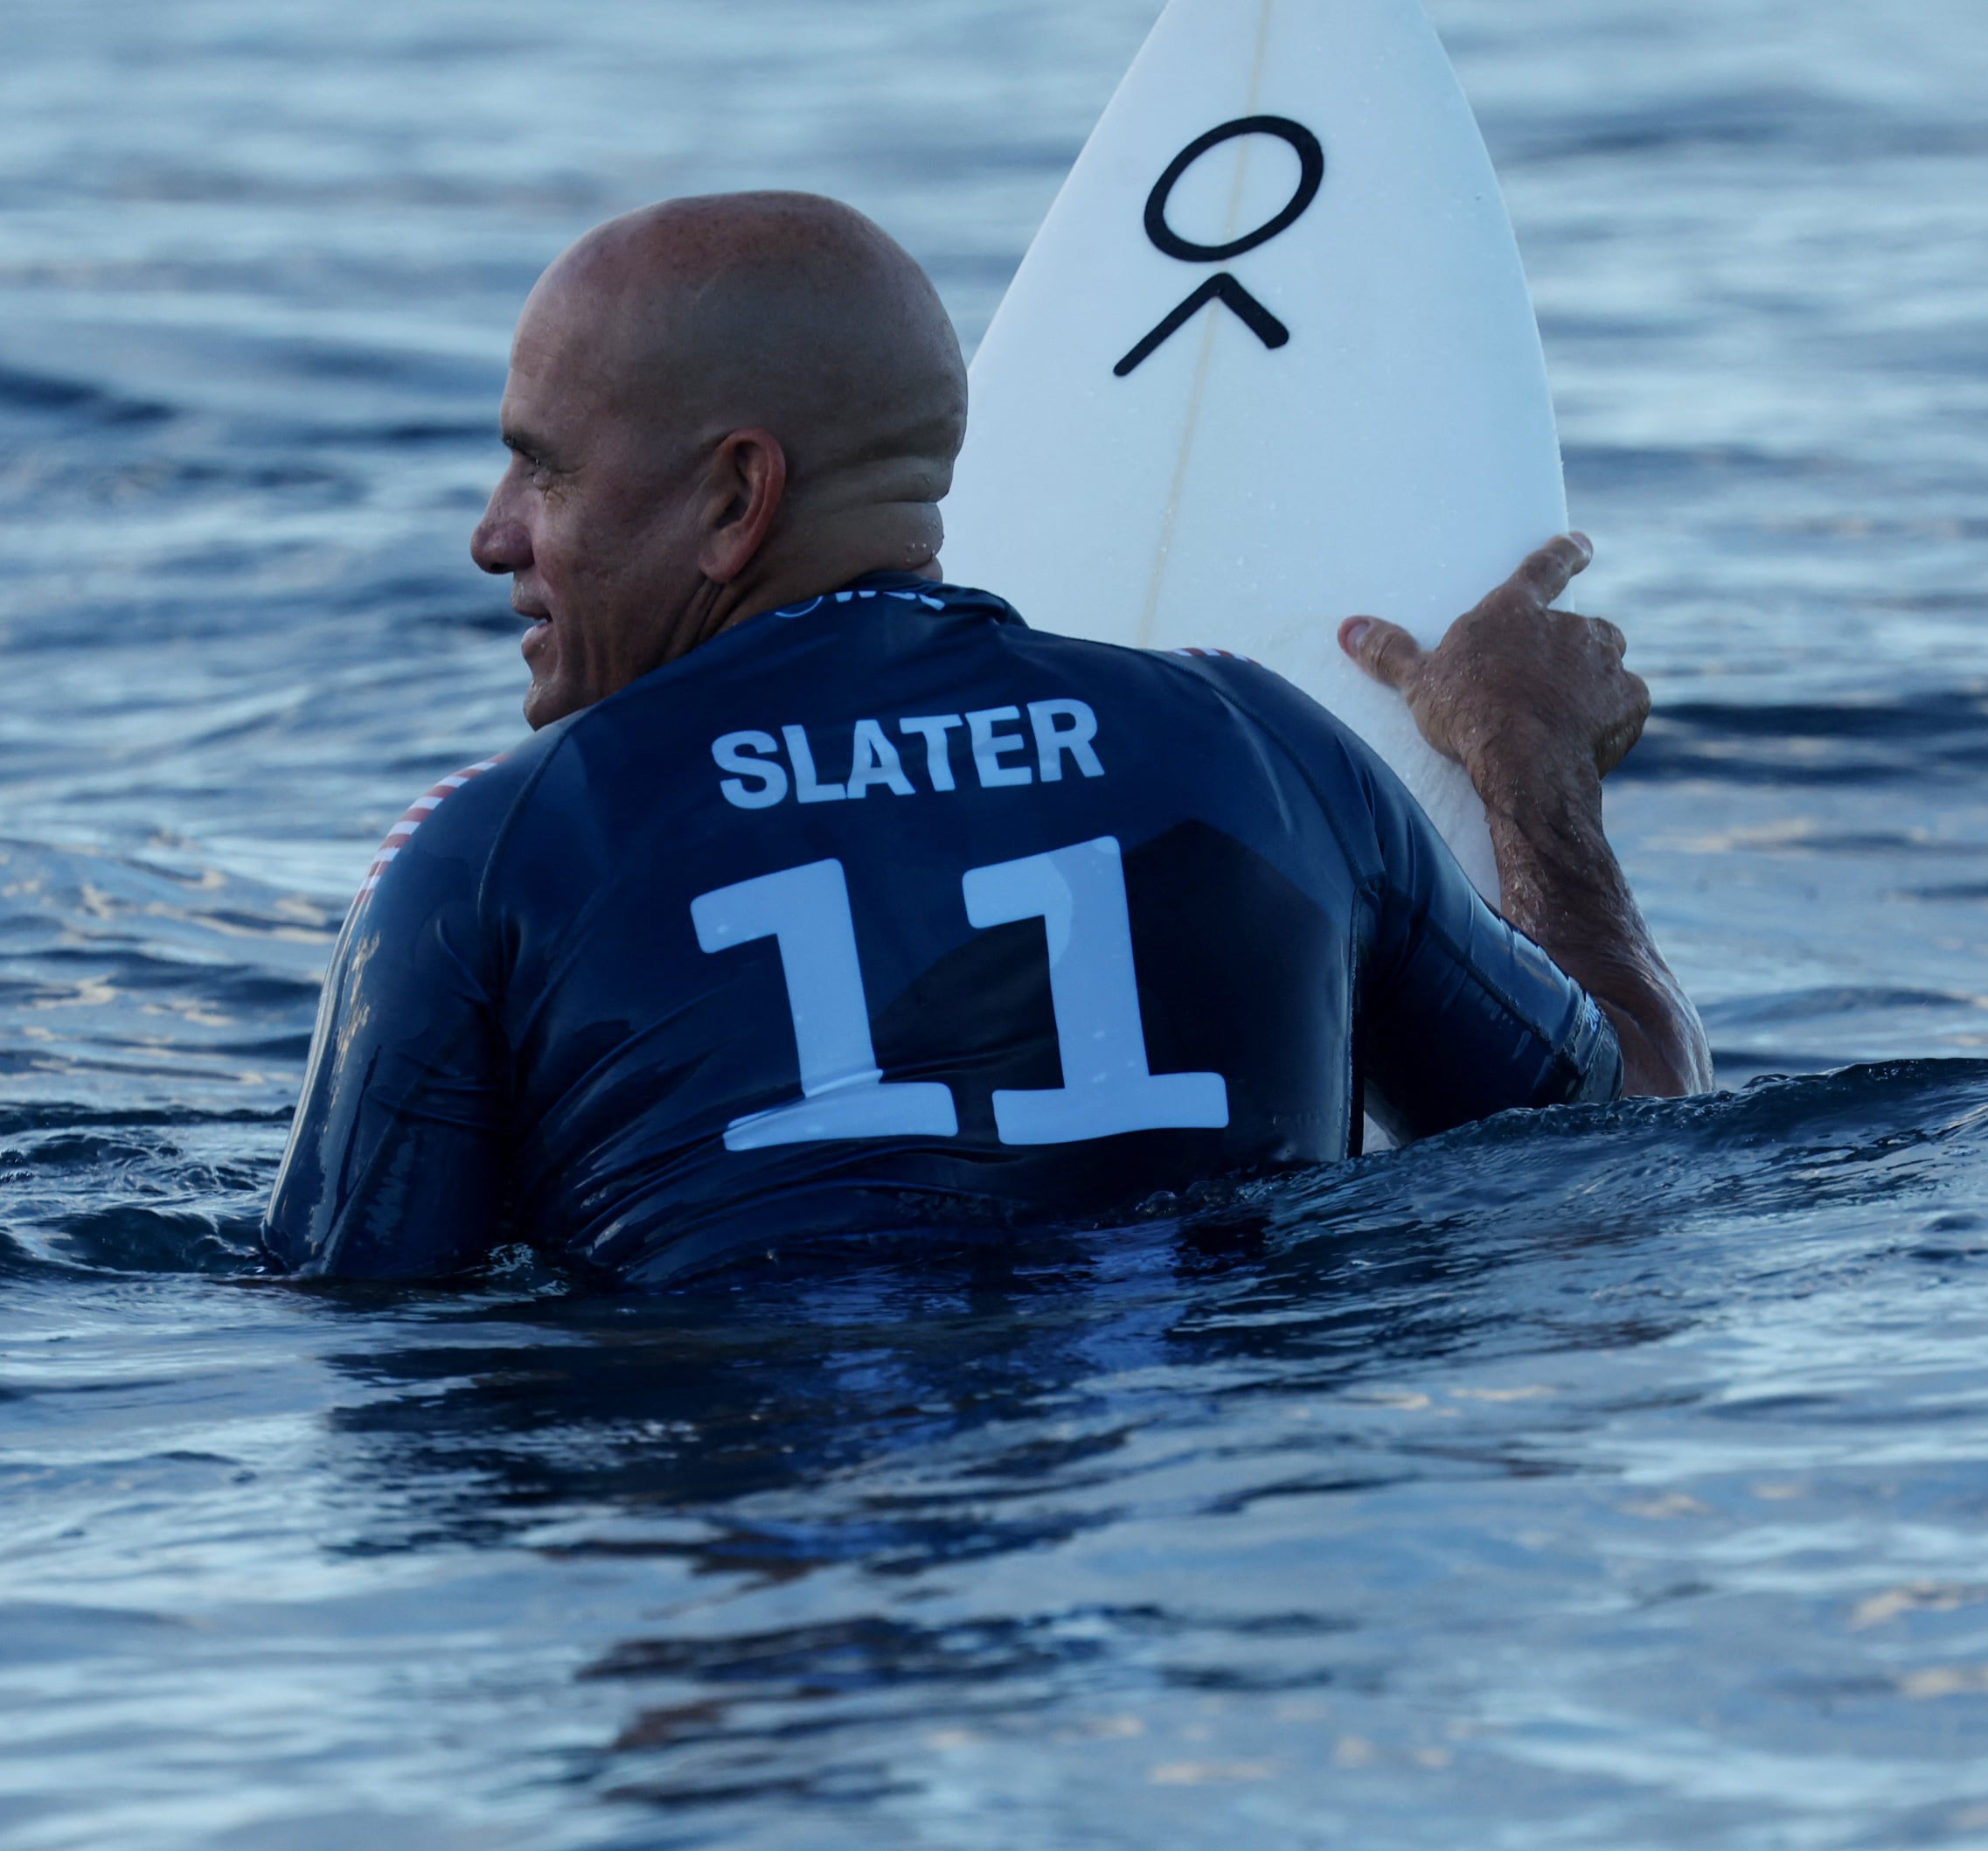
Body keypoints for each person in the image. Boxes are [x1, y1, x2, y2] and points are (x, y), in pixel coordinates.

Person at [261, 192, 1707, 1284]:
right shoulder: (1269, 757)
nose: (491, 534)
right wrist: (1531, 767)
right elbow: (1633, 1149)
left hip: (744, 1545)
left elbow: (371, 1344)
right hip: (1224, 1540)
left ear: (733, 499)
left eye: (542, 468)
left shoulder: (491, 857)